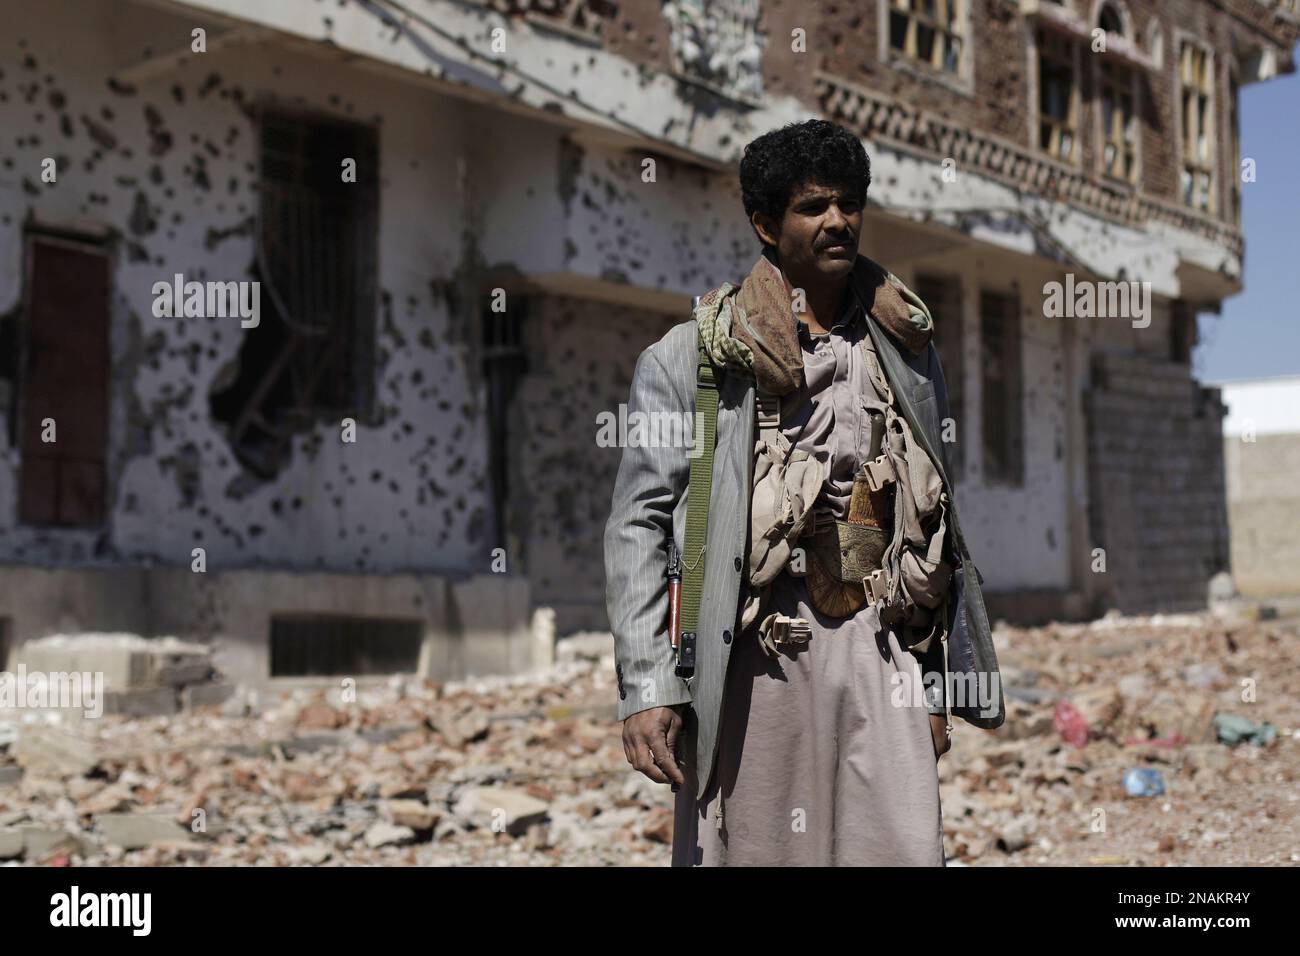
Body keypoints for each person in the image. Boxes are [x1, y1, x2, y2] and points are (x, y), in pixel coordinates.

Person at [604, 119, 1001, 866]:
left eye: (849, 203)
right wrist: (648, 686)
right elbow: (638, 526)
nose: (838, 222)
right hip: (755, 647)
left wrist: (939, 684)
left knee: (900, 844)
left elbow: (937, 515)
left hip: (882, 641)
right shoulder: (692, 357)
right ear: (764, 223)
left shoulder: (907, 347)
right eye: (814, 207)